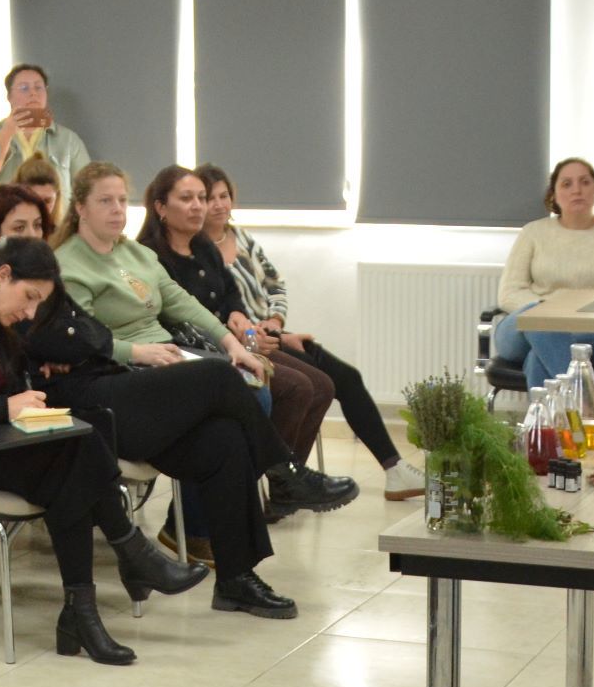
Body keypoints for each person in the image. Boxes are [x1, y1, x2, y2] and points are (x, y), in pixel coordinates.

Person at [0, 184, 293, 616]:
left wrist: (77, 346)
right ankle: (284, 472)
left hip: (111, 383)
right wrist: (70, 349)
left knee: (224, 438)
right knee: (218, 374)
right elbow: (56, 342)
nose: (32, 233)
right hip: (79, 407)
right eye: (19, 227)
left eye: (36, 225)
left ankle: (236, 578)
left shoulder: (44, 278)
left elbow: (88, 334)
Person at [0, 239, 205, 664]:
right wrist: (5, 406)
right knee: (72, 460)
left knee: (78, 445)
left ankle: (87, 605)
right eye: (29, 297)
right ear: (2, 276)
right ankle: (124, 563)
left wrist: (26, 388)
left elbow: (0, 385)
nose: (31, 313)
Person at [56, 162, 357, 514]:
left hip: (170, 354)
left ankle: (221, 515)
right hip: (124, 370)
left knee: (250, 381)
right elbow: (87, 339)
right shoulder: (69, 264)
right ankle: (280, 475)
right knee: (235, 393)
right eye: (105, 201)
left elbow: (185, 303)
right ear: (80, 208)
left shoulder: (135, 253)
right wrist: (138, 351)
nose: (117, 209)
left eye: (122, 200)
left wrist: (233, 344)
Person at [161, 166, 422, 502]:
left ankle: (369, 469)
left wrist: (277, 324)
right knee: (310, 384)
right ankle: (284, 480)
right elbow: (213, 316)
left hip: (270, 333)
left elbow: (274, 284)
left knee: (342, 378)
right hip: (241, 342)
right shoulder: (186, 253)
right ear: (164, 207)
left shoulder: (241, 240)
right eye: (204, 198)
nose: (214, 205)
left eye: (221, 196)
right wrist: (264, 335)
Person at [492, 158, 594, 387]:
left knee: (539, 357)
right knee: (544, 325)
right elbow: (509, 293)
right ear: (554, 194)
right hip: (524, 327)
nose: (577, 190)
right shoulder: (532, 233)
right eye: (567, 184)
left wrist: (584, 311)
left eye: (585, 182)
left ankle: (546, 422)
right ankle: (582, 400)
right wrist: (551, 309)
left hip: (591, 329)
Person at [0, 63, 92, 197]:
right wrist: (8, 130)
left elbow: (87, 188)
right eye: (24, 88)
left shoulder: (68, 139)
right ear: (9, 96)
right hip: (6, 215)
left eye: (38, 87)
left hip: (55, 216)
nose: (33, 93)